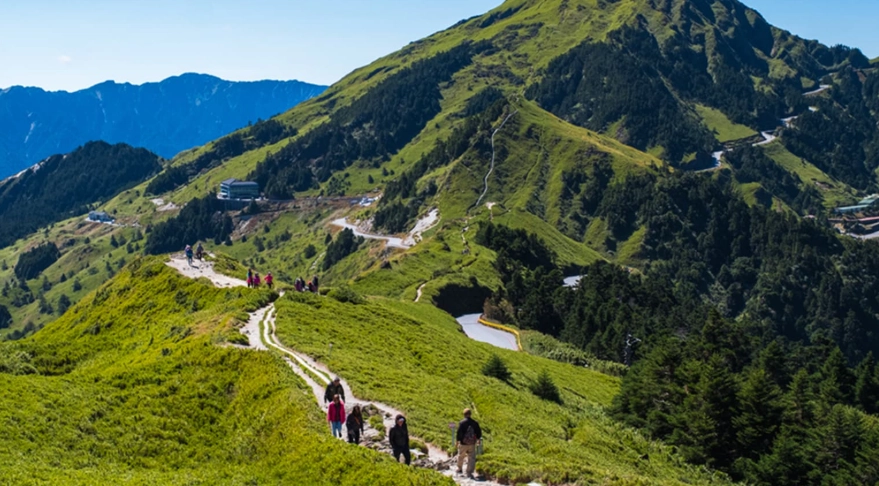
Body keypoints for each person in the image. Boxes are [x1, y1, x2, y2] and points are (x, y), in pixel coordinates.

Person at [455, 408, 482, 478]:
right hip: (472, 443)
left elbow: (459, 433)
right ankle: (469, 472)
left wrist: (458, 441)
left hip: (463, 443)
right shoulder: (475, 423)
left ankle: (459, 469)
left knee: (461, 455)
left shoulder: (462, 423)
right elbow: (478, 432)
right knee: (471, 457)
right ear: (470, 414)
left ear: (464, 414)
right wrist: (478, 440)